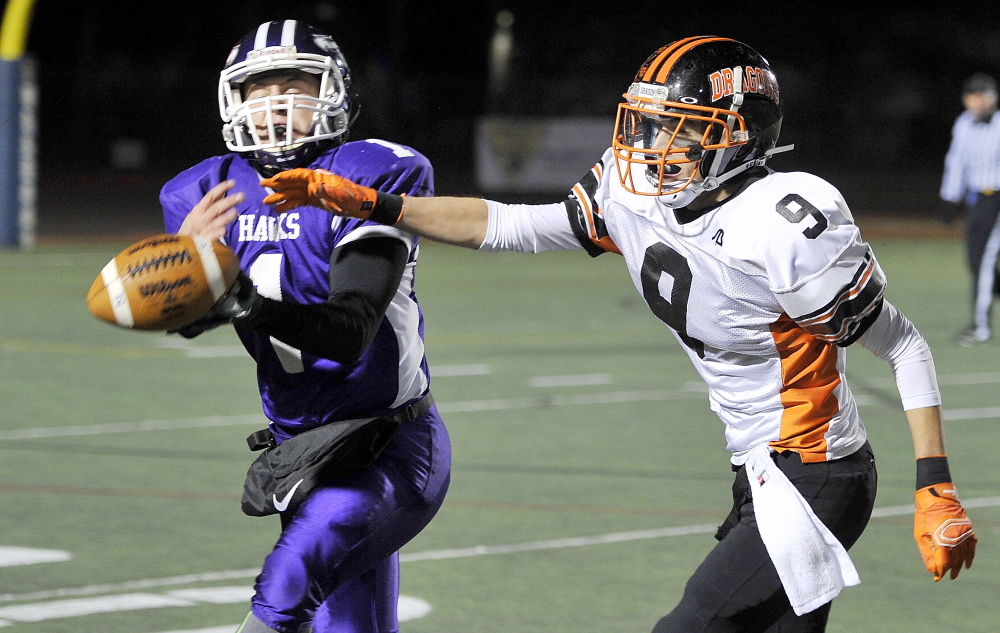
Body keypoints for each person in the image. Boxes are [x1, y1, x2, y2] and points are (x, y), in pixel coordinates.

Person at [261, 36, 978, 632]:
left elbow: (905, 344)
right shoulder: (634, 190)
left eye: (678, 126)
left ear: (737, 135)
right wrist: (378, 204)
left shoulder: (785, 222)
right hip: (754, 469)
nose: (651, 141)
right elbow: (515, 225)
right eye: (648, 121)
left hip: (817, 474)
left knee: (692, 624)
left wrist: (934, 485)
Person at [159, 20, 450, 633]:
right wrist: (186, 280)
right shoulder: (203, 190)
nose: (277, 103)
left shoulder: (368, 176)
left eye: (296, 83)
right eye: (259, 88)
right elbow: (184, 325)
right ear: (232, 101)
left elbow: (349, 331)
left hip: (387, 445)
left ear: (335, 93)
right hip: (301, 452)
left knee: (282, 597)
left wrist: (237, 296)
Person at [940, 72, 1000, 346]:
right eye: (972, 97)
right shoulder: (963, 124)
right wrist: (950, 199)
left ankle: (981, 327)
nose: (976, 103)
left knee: (985, 262)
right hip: (977, 201)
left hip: (997, 199)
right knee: (975, 262)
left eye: (981, 97)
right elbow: (957, 161)